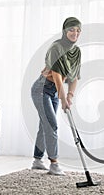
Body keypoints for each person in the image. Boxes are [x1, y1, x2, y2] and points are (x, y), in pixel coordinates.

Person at [31, 17, 82, 175]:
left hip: (53, 91)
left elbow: (74, 77)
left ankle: (37, 160)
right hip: (42, 88)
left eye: (78, 30)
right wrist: (63, 98)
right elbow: (57, 74)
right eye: (72, 30)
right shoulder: (56, 47)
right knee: (51, 124)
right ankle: (54, 163)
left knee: (44, 125)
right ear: (65, 31)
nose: (75, 33)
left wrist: (70, 97)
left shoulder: (76, 51)